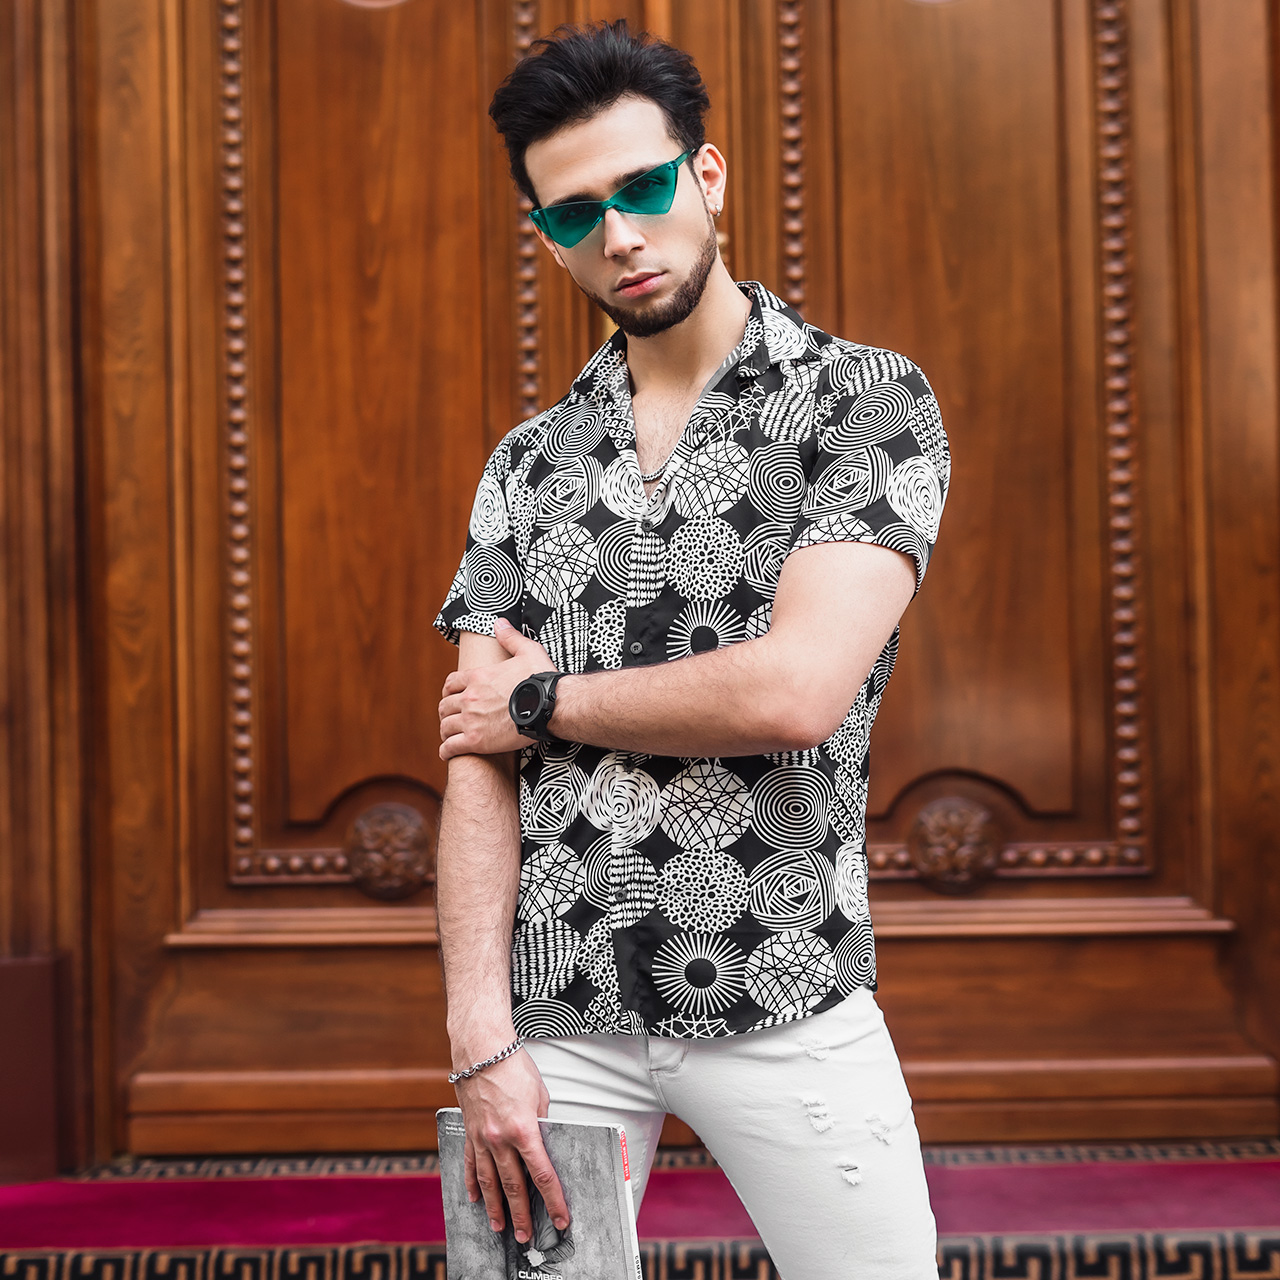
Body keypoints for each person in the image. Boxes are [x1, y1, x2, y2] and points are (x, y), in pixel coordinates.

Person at [433, 20, 949, 1278]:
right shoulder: (526, 464)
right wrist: (478, 1039)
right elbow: (473, 756)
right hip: (557, 1013)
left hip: (782, 986)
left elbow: (793, 691)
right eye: (576, 213)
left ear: (705, 175)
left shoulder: (864, 403)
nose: (619, 234)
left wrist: (542, 700)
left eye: (644, 187)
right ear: (546, 235)